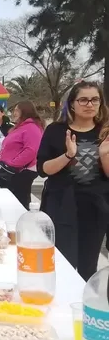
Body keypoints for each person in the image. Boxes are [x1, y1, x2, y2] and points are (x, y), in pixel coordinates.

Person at [37, 81, 109, 281]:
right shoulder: (56, 131)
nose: (89, 104)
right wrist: (68, 155)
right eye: (83, 100)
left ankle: (84, 300)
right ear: (72, 104)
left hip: (95, 207)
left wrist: (104, 155)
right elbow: (43, 169)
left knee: (88, 266)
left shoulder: (105, 131)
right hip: (61, 204)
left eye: (95, 99)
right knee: (62, 263)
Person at [0, 101, 44, 209]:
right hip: (10, 171)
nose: (14, 113)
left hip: (20, 172)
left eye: (17, 110)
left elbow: (31, 150)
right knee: (9, 202)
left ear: (25, 111)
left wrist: (13, 163)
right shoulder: (20, 127)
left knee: (19, 202)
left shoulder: (32, 127)